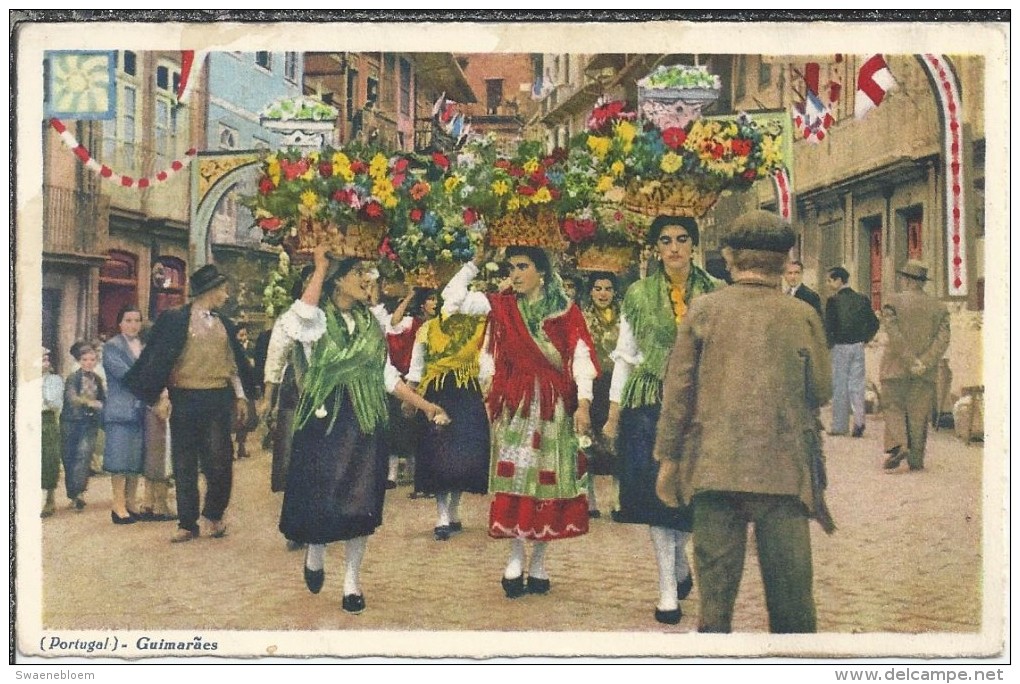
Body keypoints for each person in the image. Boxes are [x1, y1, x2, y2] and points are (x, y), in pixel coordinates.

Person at [654, 209, 834, 634]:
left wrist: (668, 460)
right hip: (784, 474)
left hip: (715, 468)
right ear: (782, 261)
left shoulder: (702, 311)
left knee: (715, 606)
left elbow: (677, 396)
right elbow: (822, 390)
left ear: (730, 257)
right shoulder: (802, 315)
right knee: (792, 604)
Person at [277, 246, 450, 614]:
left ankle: (352, 582)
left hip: (364, 420)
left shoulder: (372, 323)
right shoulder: (316, 320)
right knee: (323, 501)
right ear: (338, 279)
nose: (367, 280)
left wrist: (425, 405)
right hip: (325, 421)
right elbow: (300, 317)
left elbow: (387, 376)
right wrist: (322, 266)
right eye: (358, 272)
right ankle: (316, 553)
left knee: (361, 503)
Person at [442, 245, 598, 599]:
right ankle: (514, 558)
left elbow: (582, 354)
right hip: (514, 405)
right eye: (511, 267)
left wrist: (584, 404)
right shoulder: (501, 305)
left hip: (553, 407)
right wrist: (474, 263)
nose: (515, 274)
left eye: (523, 266)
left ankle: (539, 562)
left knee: (547, 483)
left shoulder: (565, 312)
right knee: (516, 479)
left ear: (541, 272)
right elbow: (451, 300)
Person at [602, 215, 721, 625]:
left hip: (698, 406)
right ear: (656, 248)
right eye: (666, 240)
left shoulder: (716, 293)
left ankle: (682, 562)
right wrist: (614, 413)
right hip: (649, 403)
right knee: (656, 496)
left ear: (694, 245)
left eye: (682, 239)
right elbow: (625, 354)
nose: (674, 247)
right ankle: (667, 588)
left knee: (688, 493)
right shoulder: (637, 294)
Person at [124, 264, 256, 543]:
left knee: (219, 462)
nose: (226, 295)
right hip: (184, 397)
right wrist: (158, 397)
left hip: (218, 398)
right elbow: (158, 359)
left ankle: (213, 515)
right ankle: (187, 523)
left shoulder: (226, 325)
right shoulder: (174, 320)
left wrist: (241, 396)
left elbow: (234, 366)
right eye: (223, 289)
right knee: (184, 463)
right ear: (210, 291)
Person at [405, 286, 490, 541]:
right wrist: (411, 397)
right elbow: (417, 366)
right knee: (438, 453)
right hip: (437, 393)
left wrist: (488, 387)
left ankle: (454, 507)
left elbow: (485, 361)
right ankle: (442, 513)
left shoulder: (477, 330)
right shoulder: (427, 330)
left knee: (464, 453)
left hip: (467, 391)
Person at [262, 263, 316, 551]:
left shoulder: (330, 317)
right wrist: (268, 398)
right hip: (296, 394)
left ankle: (320, 521)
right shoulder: (289, 319)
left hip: (326, 394)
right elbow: (275, 358)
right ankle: (296, 525)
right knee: (295, 459)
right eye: (308, 281)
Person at [879, 260, 951, 472]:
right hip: (925, 372)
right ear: (921, 282)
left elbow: (894, 334)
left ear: (907, 280)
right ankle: (916, 459)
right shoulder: (939, 307)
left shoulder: (892, 302)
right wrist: (924, 362)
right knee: (919, 413)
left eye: (902, 278)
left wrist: (910, 360)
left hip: (895, 367)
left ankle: (900, 444)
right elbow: (943, 338)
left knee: (893, 407)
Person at [580, 271, 621, 519]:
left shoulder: (625, 318)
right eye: (598, 289)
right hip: (591, 385)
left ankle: (617, 500)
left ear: (615, 292)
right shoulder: (581, 319)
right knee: (588, 440)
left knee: (617, 442)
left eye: (607, 289)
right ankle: (590, 499)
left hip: (616, 385)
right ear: (591, 292)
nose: (603, 293)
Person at [101, 306, 147, 524]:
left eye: (137, 320)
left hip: (140, 408)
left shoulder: (143, 346)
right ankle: (117, 505)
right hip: (120, 409)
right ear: (120, 323)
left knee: (135, 459)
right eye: (128, 320)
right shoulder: (112, 346)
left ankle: (131, 502)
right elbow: (125, 375)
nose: (133, 324)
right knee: (119, 459)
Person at [824, 266, 880, 437]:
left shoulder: (832, 302)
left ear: (839, 280)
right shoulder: (862, 299)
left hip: (840, 347)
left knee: (840, 386)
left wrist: (829, 345)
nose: (828, 284)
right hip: (858, 346)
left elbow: (828, 327)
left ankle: (840, 426)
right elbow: (874, 323)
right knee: (857, 385)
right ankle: (859, 421)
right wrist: (865, 339)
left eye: (830, 280)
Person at [61, 342, 105, 511]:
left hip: (89, 423)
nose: (88, 362)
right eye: (85, 359)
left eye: (92, 359)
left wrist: (101, 406)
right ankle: (72, 493)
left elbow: (103, 399)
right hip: (71, 422)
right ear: (79, 361)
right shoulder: (73, 378)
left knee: (83, 456)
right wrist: (90, 403)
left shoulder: (98, 379)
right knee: (69, 458)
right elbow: (72, 398)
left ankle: (78, 494)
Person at [41, 348, 64, 518]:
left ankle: (49, 498)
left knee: (48, 459)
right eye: (42, 359)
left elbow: (53, 402)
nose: (46, 363)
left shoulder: (53, 380)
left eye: (47, 359)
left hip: (46, 419)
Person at [232, 327, 257, 460]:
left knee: (246, 420)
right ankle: (231, 449)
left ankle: (241, 447)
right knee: (233, 419)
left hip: (247, 387)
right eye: (240, 335)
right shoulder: (232, 348)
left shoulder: (251, 348)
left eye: (245, 334)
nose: (243, 337)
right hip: (234, 388)